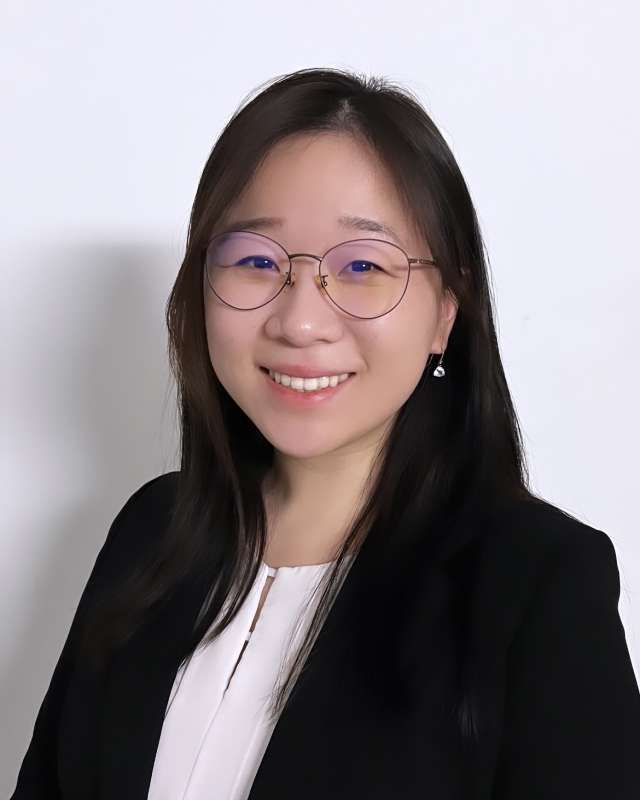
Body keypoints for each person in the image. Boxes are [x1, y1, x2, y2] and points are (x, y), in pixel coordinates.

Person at [11, 67, 640, 800]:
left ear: (445, 313)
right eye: (254, 261)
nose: (301, 321)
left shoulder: (535, 584)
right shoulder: (152, 534)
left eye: (363, 266)